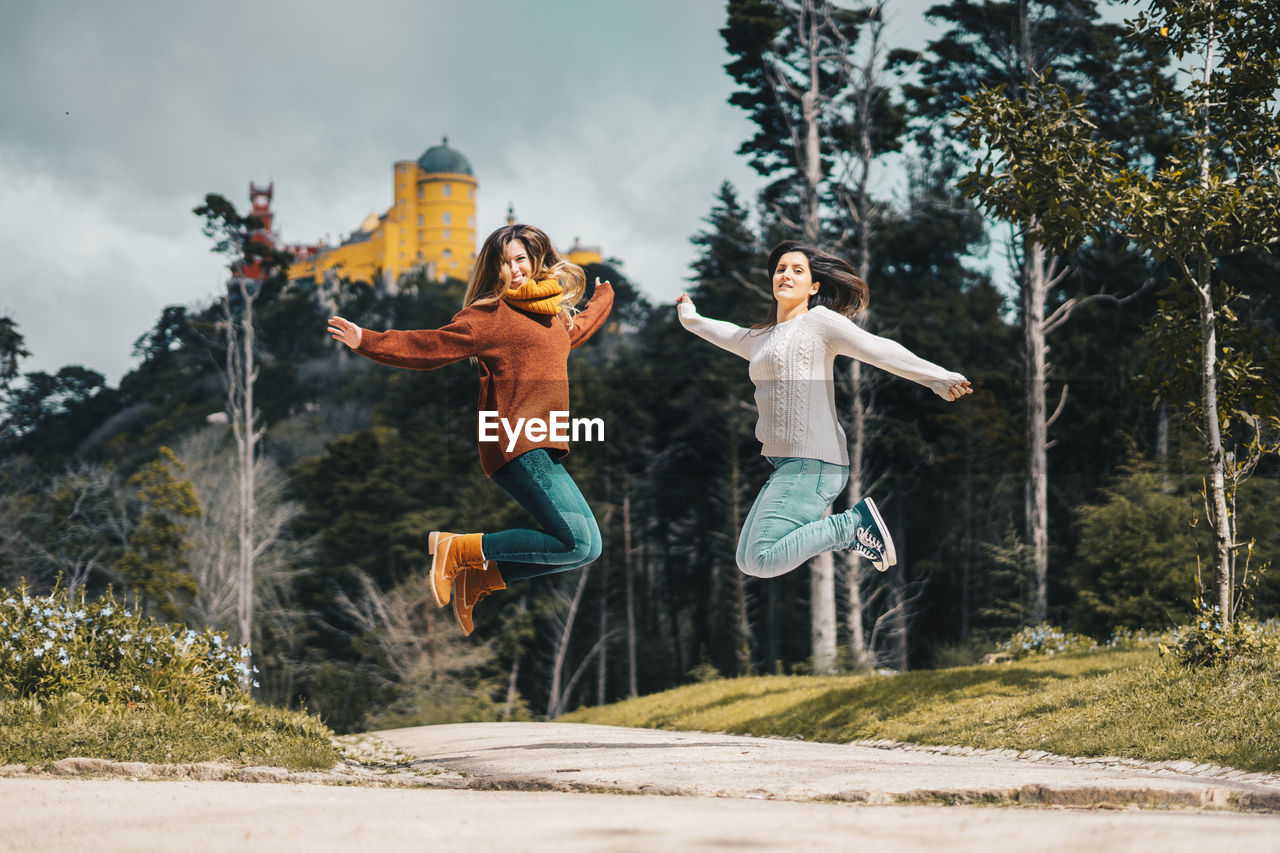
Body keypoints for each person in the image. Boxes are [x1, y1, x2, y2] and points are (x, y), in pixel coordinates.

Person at [328, 224, 613, 635]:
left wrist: (604, 297)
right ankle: (458, 548)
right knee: (577, 541)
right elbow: (430, 346)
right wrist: (367, 340)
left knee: (586, 547)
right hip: (515, 443)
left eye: (520, 259)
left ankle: (480, 578)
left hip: (538, 447)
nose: (514, 270)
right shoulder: (490, 316)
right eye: (504, 263)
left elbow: (579, 330)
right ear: (492, 270)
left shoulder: (553, 316)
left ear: (535, 259)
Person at [676, 240, 971, 579]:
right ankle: (850, 528)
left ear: (813, 286)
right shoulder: (764, 338)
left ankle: (851, 526)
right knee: (747, 560)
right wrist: (691, 319)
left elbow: (878, 348)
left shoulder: (819, 323)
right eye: (780, 269)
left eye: (797, 271)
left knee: (761, 558)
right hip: (788, 465)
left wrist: (937, 377)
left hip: (814, 463)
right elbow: (729, 333)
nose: (786, 275)